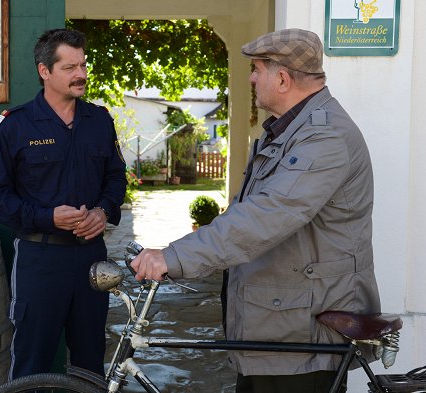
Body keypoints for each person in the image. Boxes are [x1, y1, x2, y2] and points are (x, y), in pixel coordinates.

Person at [132, 28, 380, 393]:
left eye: (257, 69)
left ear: (281, 78)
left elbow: (267, 216)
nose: (251, 77)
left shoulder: (325, 138)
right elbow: (244, 212)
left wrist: (175, 257)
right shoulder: (287, 131)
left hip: (300, 335)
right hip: (278, 324)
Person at [0, 28, 127, 380]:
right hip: (39, 260)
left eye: (83, 65)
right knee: (32, 361)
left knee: (91, 360)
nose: (81, 74)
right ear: (45, 71)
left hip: (92, 259)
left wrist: (102, 211)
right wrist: (48, 218)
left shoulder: (99, 120)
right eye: (70, 67)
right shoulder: (12, 126)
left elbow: (116, 178)